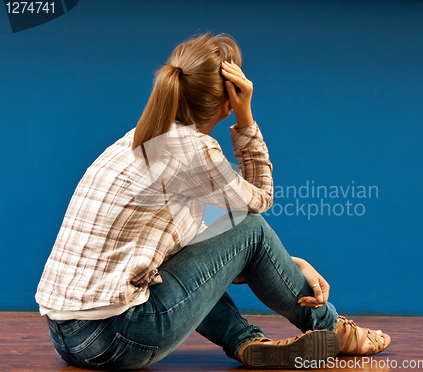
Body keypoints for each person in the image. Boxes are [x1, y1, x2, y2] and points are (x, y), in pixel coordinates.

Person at [35, 33, 390, 370]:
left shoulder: (135, 141)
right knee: (250, 227)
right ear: (227, 101)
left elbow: (201, 258)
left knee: (210, 252)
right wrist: (246, 117)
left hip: (67, 337)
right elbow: (260, 202)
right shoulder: (193, 149)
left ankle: (248, 344)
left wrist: (294, 264)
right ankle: (332, 328)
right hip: (121, 336)